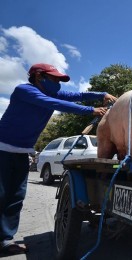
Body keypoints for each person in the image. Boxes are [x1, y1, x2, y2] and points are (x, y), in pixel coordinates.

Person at [0, 63, 117, 256]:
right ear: (38, 76)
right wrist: (91, 110)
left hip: (22, 152)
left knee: (15, 197)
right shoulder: (25, 90)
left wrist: (100, 94)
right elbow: (53, 104)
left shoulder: (51, 93)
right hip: (2, 149)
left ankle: (4, 240)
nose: (57, 83)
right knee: (2, 194)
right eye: (54, 79)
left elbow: (76, 96)